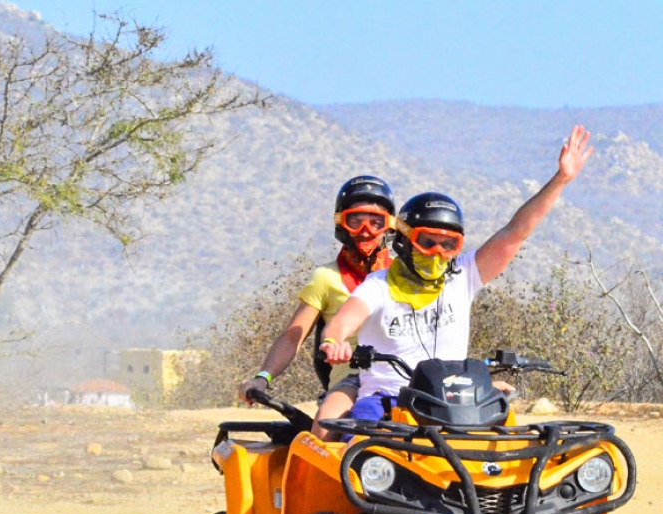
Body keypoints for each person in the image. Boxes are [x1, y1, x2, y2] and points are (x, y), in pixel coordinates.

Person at [320, 126, 593, 421]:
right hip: (387, 401)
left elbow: (516, 232)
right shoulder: (378, 286)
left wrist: (561, 179)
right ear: (404, 240)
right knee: (358, 447)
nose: (437, 252)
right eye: (427, 242)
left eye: (449, 245)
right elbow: (342, 323)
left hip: (451, 402)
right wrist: (334, 342)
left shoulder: (464, 276)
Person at [238, 175, 395, 437]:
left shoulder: (404, 277)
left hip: (402, 378)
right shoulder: (325, 277)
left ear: (389, 226)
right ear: (341, 224)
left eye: (375, 221)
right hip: (352, 379)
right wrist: (262, 378)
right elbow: (293, 335)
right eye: (355, 220)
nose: (366, 230)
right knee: (323, 430)